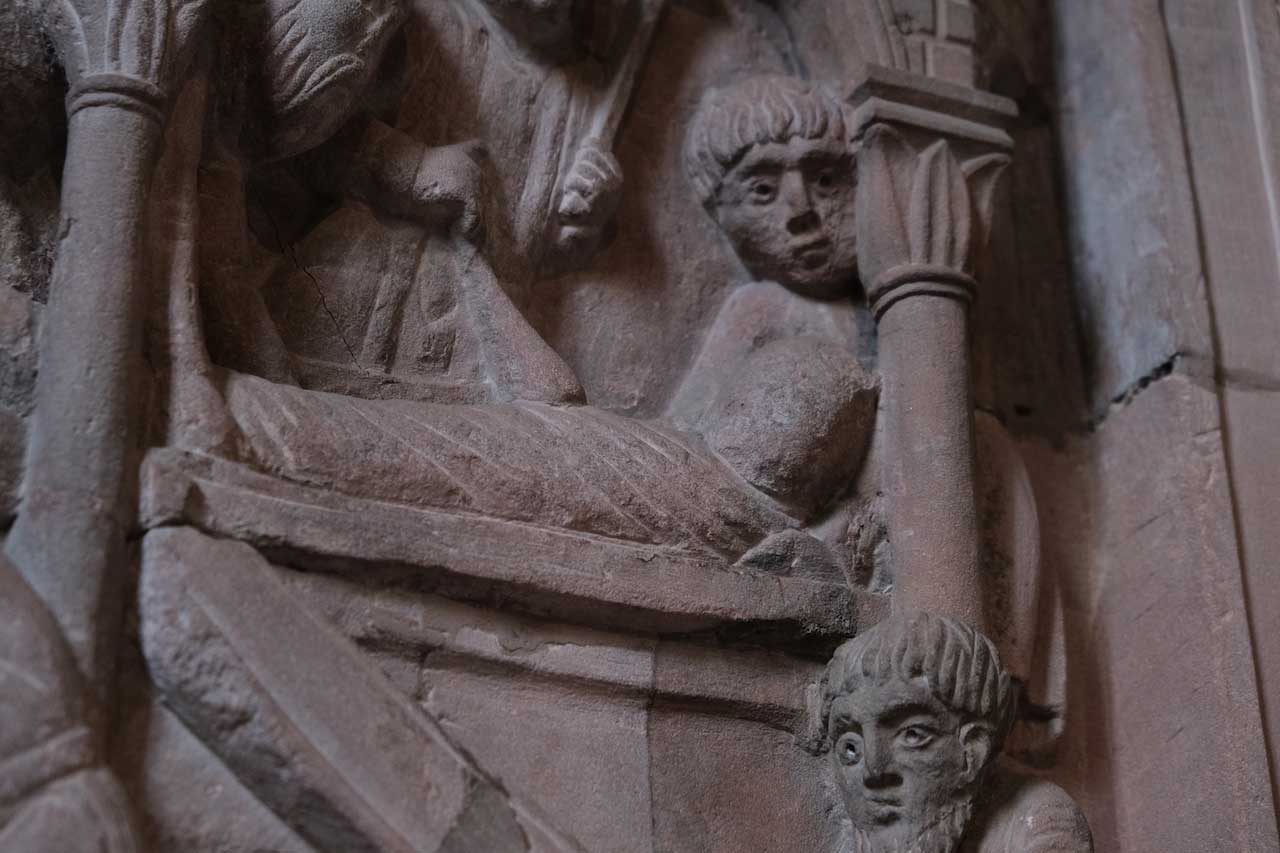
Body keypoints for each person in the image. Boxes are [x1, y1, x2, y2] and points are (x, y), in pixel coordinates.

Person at [813, 611, 1093, 853]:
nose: (873, 772)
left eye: (912, 735)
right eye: (851, 748)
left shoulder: (1037, 823)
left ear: (973, 750)